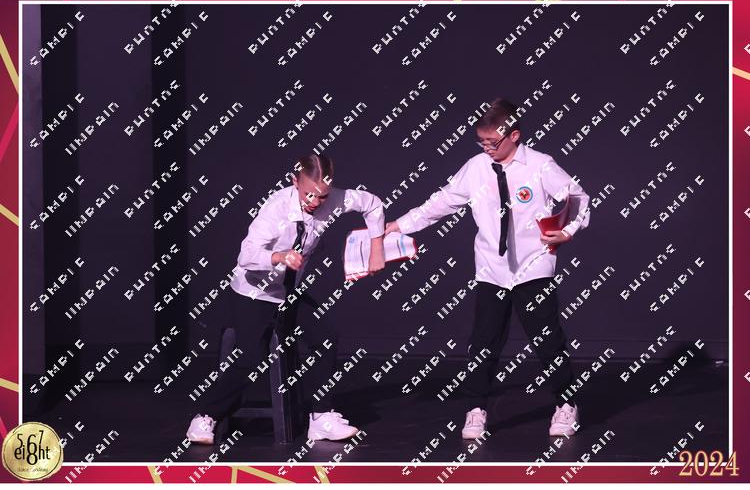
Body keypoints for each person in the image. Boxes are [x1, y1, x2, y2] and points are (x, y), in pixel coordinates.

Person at [384, 98, 591, 439]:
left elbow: (579, 198)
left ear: (514, 136)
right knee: (483, 343)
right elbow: (441, 202)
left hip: (533, 266)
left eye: (493, 142)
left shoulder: (540, 165)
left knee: (547, 340)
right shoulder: (476, 168)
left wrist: (566, 231)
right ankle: (476, 409)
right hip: (492, 269)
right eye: (481, 142)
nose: (487, 148)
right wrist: (399, 225)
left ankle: (566, 404)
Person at [186, 153, 386, 444]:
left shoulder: (334, 199)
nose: (315, 202)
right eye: (309, 195)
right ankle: (206, 416)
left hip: (288, 292)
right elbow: (246, 255)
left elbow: (372, 203)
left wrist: (377, 247)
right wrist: (279, 257)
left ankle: (320, 417)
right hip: (255, 292)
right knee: (250, 359)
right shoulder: (276, 208)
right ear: (295, 182)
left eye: (322, 196)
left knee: (325, 339)